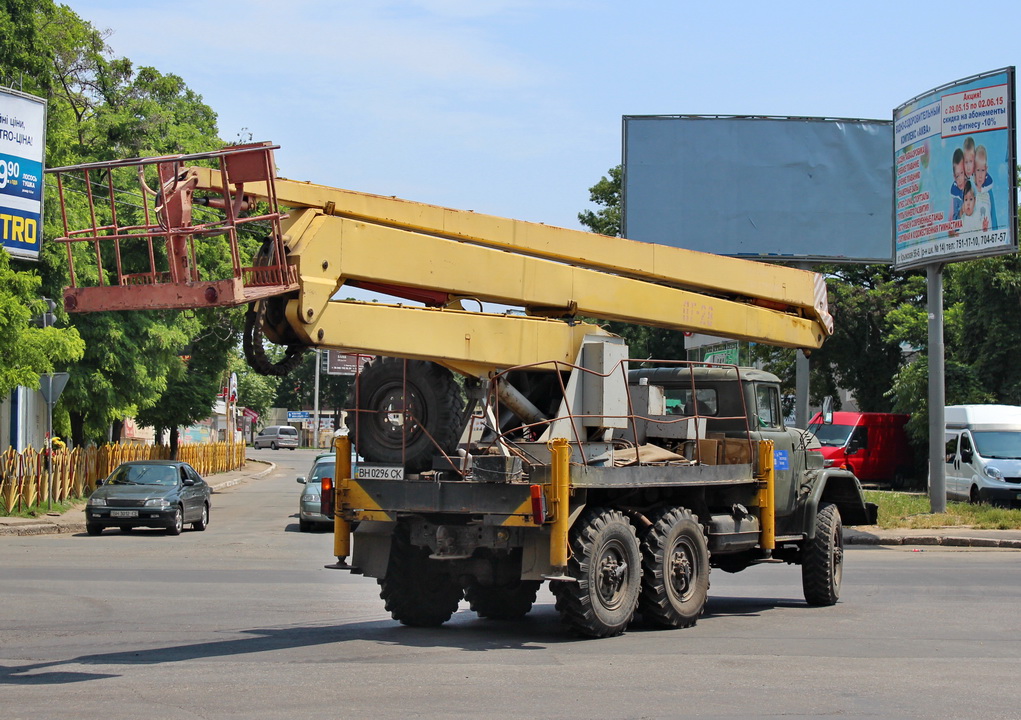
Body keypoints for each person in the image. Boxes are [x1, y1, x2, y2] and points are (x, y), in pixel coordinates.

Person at [973, 144, 996, 230]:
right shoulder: (970, 188)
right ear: (974, 169)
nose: (980, 175)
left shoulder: (988, 190)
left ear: (986, 169)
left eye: (982, 170)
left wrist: (995, 230)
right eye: (978, 170)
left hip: (988, 234)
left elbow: (993, 213)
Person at [949, 148, 967, 220]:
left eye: (962, 173)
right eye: (957, 176)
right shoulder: (955, 192)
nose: (959, 180)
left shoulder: (971, 186)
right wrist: (961, 212)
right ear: (954, 177)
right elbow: (955, 220)